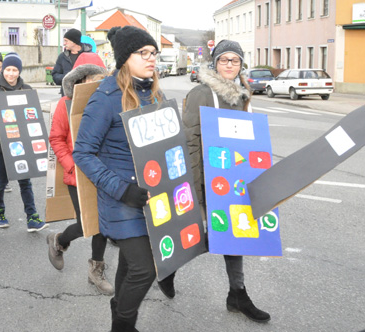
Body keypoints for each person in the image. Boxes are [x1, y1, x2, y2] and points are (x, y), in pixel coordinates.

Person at [72, 26, 163, 332]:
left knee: (129, 264)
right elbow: (83, 153)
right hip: (120, 199)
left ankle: (119, 314)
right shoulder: (106, 97)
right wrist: (123, 190)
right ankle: (122, 325)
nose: (151, 59)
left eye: (154, 53)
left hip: (150, 196)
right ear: (126, 58)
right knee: (144, 270)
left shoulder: (152, 93)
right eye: (144, 53)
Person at [182, 39, 270, 323]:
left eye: (235, 60)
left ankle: (237, 294)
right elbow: (191, 141)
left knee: (234, 235)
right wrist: (196, 187)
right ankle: (166, 269)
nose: (230, 65)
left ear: (241, 64)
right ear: (215, 63)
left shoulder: (244, 96)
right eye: (224, 60)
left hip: (234, 180)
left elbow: (249, 143)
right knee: (197, 232)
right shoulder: (202, 93)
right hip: (208, 178)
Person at [47, 52, 113, 295]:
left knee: (102, 223)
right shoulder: (65, 104)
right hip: (77, 175)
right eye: (89, 78)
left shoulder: (108, 101)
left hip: (104, 173)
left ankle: (96, 270)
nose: (93, 83)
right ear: (80, 79)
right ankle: (59, 241)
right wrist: (71, 165)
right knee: (87, 224)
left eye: (99, 78)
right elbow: (56, 138)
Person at [0, 52, 47, 232]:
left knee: (25, 182)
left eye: (15, 70)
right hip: (1, 147)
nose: (11, 73)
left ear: (19, 71)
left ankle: (32, 216)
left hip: (22, 146)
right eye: (8, 69)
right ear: (3, 70)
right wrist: (2, 135)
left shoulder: (26, 89)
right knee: (1, 181)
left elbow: (33, 115)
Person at [51, 28, 92, 96]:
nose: (64, 43)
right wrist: (69, 78)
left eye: (66, 41)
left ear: (74, 41)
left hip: (85, 95)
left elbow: (97, 75)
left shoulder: (89, 55)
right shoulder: (62, 57)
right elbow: (55, 76)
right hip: (67, 96)